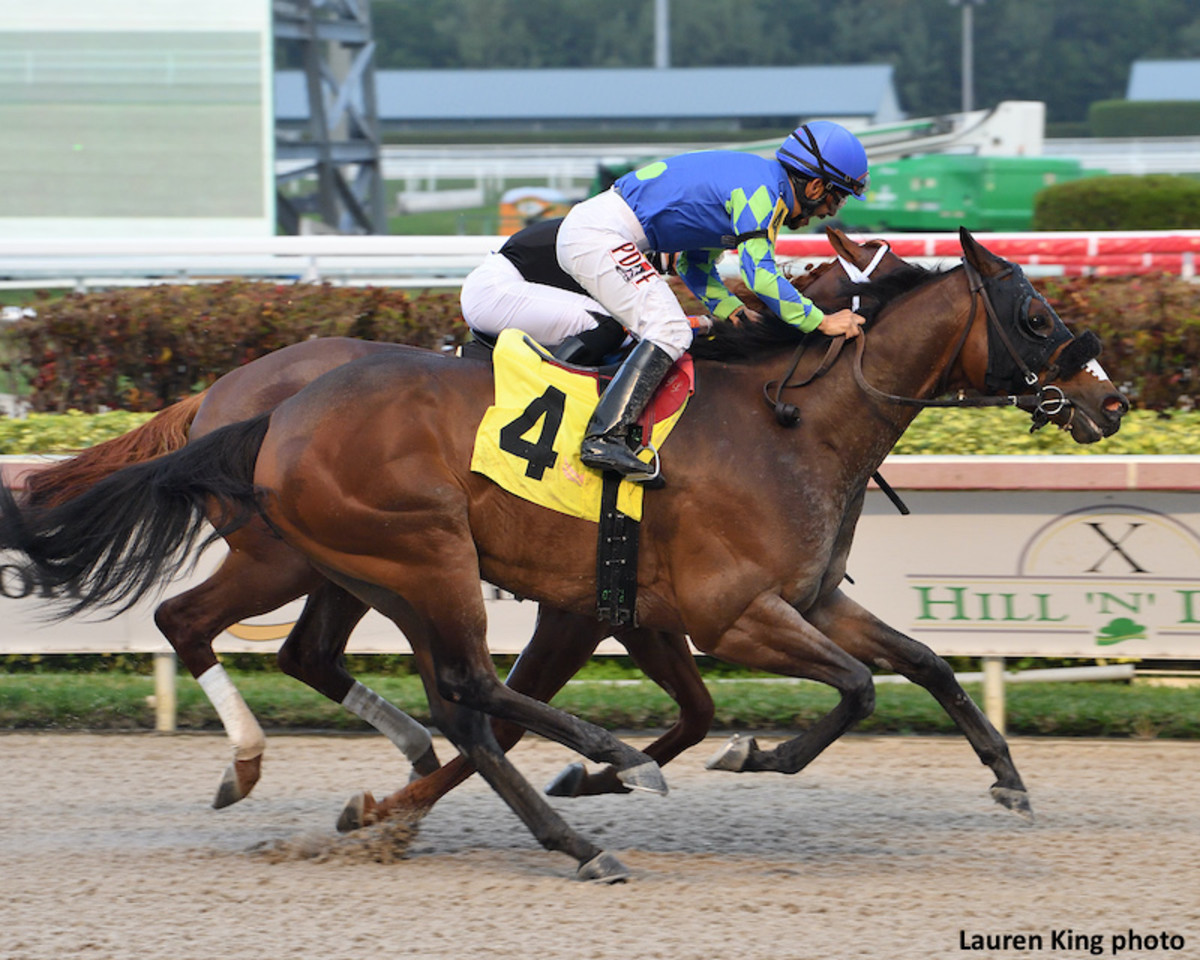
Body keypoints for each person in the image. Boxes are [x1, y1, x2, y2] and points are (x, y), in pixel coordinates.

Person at [556, 120, 871, 478]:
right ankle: (603, 436)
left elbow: (693, 263)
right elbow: (761, 275)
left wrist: (732, 311)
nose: (832, 211)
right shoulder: (763, 193)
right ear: (815, 186)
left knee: (658, 329)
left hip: (596, 234)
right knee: (670, 330)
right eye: (837, 197)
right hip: (599, 236)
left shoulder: (759, 184)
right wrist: (822, 320)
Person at [460, 216, 629, 366]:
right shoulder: (610, 237)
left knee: (614, 330)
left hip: (492, 286)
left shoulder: (604, 225)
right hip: (495, 291)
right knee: (607, 326)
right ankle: (553, 391)